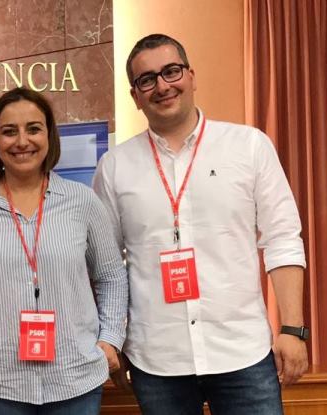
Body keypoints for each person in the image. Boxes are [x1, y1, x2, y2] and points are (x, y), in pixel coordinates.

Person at [92, 34, 309, 414]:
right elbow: (107, 266)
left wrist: (292, 329)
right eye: (147, 79)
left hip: (242, 351)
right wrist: (113, 337)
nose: (162, 85)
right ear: (135, 96)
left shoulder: (249, 146)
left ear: (191, 75)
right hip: (157, 358)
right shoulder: (115, 167)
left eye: (171, 71)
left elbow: (282, 239)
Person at [0, 87, 128, 414]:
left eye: (33, 128)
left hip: (75, 377)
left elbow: (112, 275)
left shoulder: (82, 201)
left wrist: (110, 338)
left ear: (49, 135)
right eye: (9, 131)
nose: (22, 141)